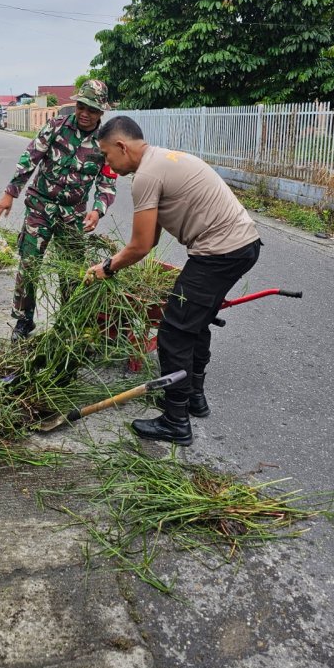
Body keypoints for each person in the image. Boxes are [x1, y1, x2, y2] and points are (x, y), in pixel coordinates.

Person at [85, 116, 261, 447]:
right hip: (243, 246)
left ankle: (175, 421)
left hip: (218, 253)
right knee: (196, 322)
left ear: (122, 146)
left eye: (107, 155)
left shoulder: (146, 176)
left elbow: (138, 246)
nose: (107, 163)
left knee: (173, 333)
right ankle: (193, 399)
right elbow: (149, 241)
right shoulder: (163, 159)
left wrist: (106, 268)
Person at [0, 80, 118, 340]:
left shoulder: (105, 143)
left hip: (73, 215)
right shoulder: (56, 127)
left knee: (72, 271)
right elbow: (30, 159)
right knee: (29, 265)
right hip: (40, 207)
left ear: (101, 112)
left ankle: (69, 322)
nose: (84, 113)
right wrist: (9, 194)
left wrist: (97, 210)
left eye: (91, 109)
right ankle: (24, 321)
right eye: (81, 106)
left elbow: (107, 182)